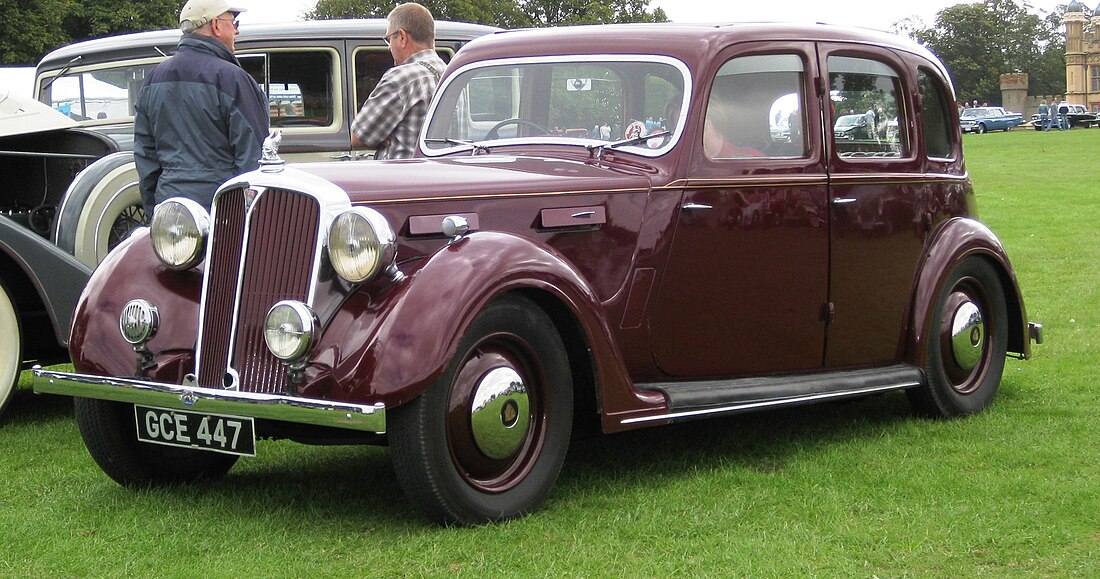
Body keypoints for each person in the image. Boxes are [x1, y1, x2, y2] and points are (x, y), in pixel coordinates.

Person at [134, 0, 268, 218]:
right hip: (223, 212)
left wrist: (155, 213)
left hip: (171, 213)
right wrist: (246, 214)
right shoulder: (233, 79)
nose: (236, 30)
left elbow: (145, 156)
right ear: (216, 25)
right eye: (234, 22)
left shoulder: (153, 79)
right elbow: (254, 158)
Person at [350, 3, 446, 160]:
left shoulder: (401, 78)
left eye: (389, 39)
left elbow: (358, 137)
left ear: (402, 37)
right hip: (442, 177)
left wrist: (384, 136)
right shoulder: (450, 74)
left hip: (404, 178)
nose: (389, 47)